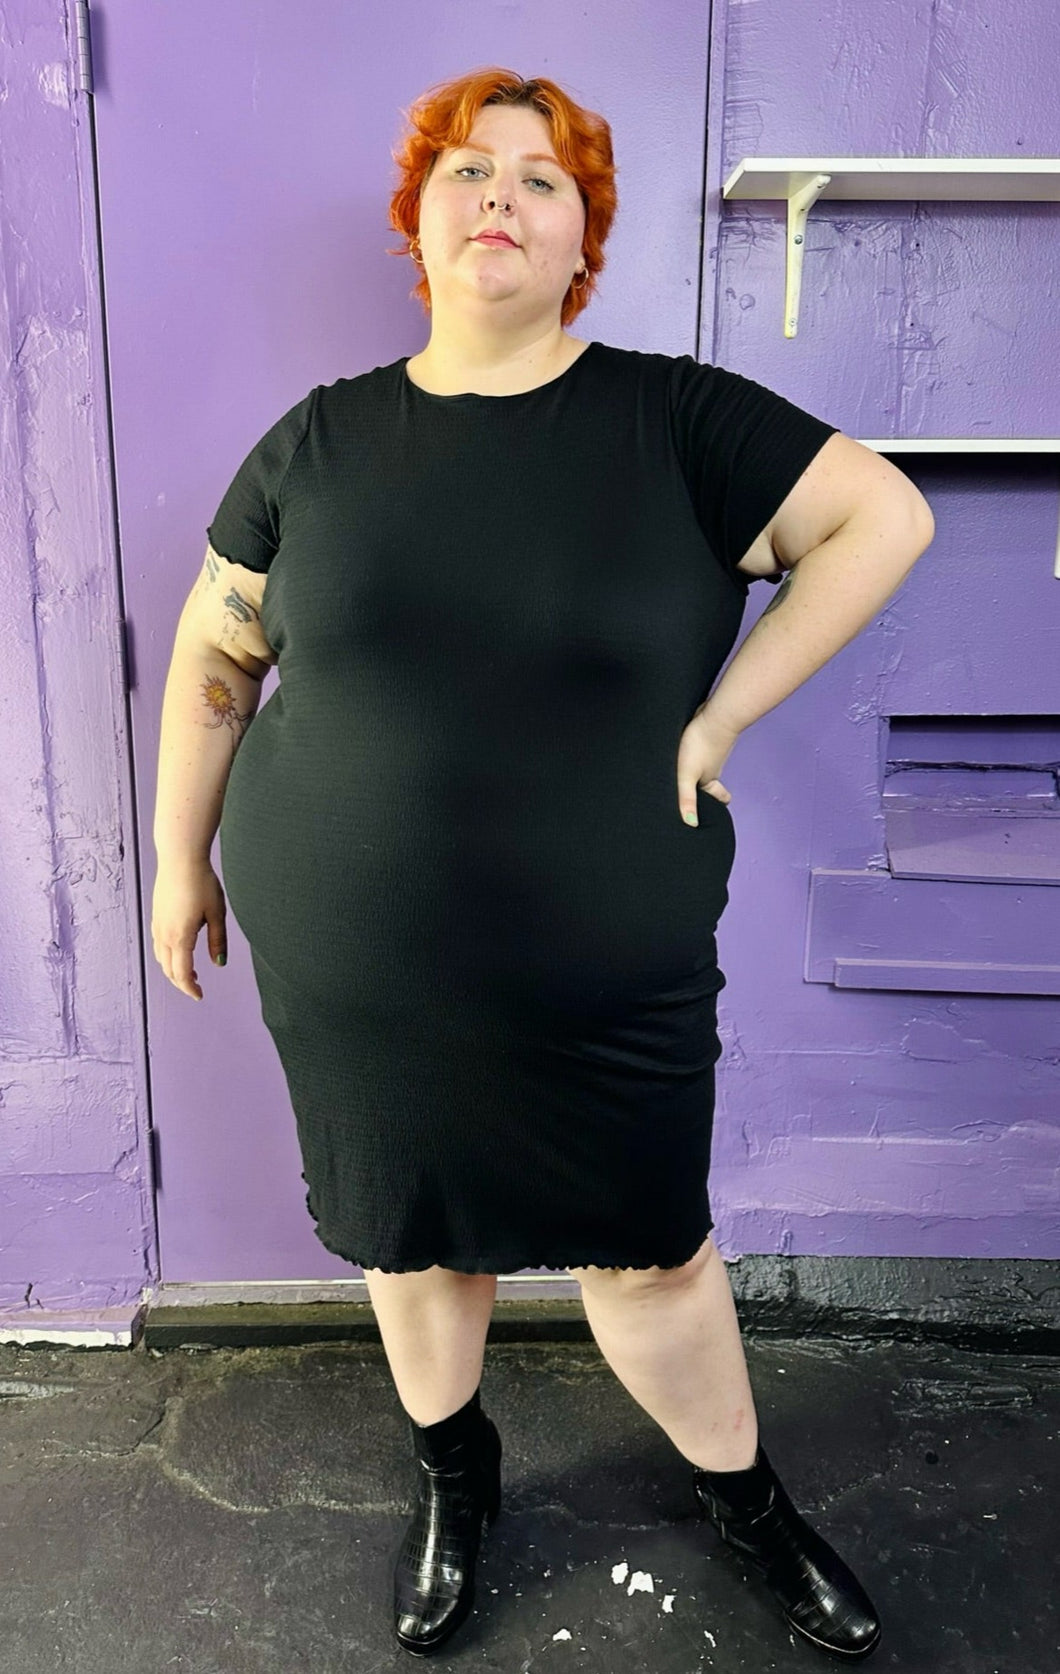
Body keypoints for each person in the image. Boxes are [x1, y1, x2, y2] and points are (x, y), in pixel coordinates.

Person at [153, 65, 934, 1662]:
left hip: (607, 965)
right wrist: (179, 859)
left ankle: (744, 1498)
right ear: (418, 221)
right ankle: (458, 1468)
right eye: (464, 170)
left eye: (540, 177)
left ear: (584, 237)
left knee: (649, 1251)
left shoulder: (675, 418)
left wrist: (718, 720)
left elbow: (884, 518)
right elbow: (214, 658)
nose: (496, 194)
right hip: (353, 966)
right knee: (410, 1233)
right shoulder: (318, 441)